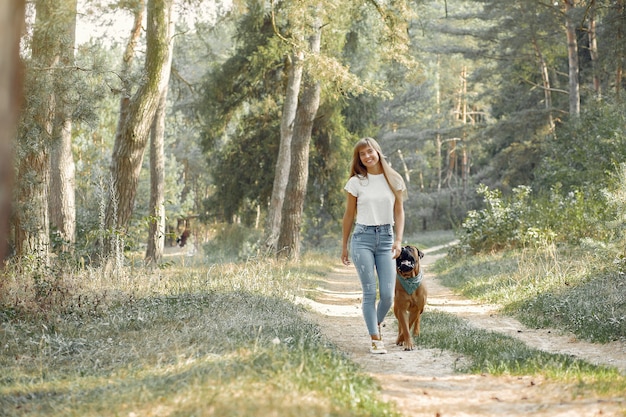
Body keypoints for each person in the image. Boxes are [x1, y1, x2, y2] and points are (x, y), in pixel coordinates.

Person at [341, 137, 407, 354]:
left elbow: (399, 211)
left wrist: (398, 240)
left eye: (370, 151)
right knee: (370, 292)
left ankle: (374, 323)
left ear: (377, 151)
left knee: (388, 295)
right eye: (362, 154)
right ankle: (375, 338)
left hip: (387, 238)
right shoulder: (356, 182)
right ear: (358, 158)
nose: (367, 156)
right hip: (362, 238)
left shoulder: (394, 179)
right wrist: (344, 245)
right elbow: (349, 215)